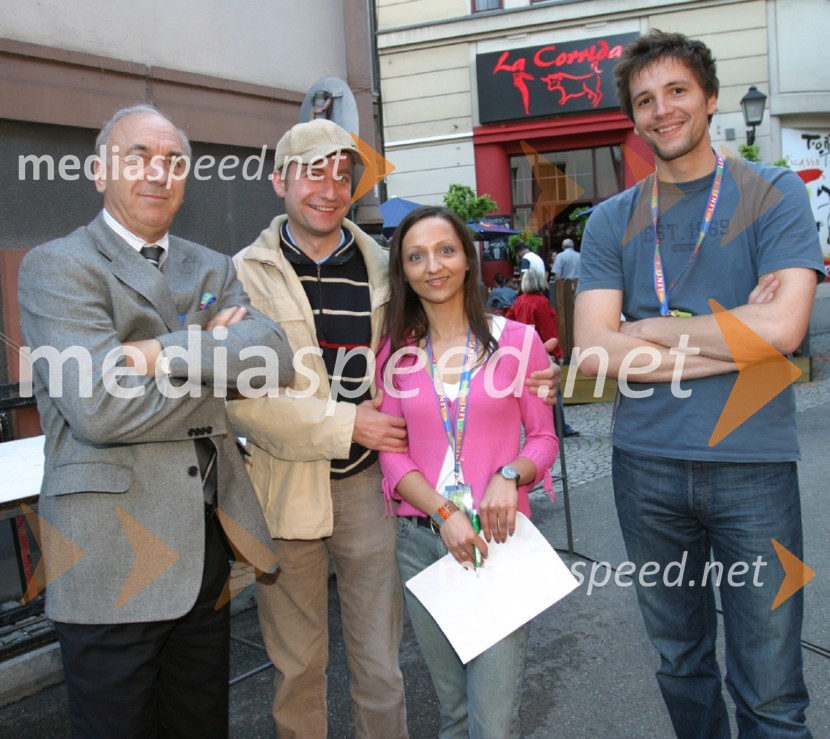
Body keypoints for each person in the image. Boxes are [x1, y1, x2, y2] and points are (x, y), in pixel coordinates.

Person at [226, 119, 562, 738]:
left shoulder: (384, 266)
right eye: (312, 172)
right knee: (298, 669)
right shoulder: (242, 275)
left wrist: (544, 380)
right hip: (284, 484)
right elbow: (239, 401)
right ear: (278, 180)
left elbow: (466, 381)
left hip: (373, 493)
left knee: (382, 666)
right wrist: (346, 423)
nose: (329, 188)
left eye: (342, 174)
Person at [574, 30, 823, 738]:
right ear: (634, 116)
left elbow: (784, 332)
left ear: (710, 98)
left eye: (677, 90)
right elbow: (594, 350)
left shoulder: (772, 192)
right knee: (681, 663)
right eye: (645, 99)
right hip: (645, 468)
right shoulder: (611, 220)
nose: (663, 109)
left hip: (754, 467)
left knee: (772, 683)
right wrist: (740, 335)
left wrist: (647, 329)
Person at [17, 104, 294, 737]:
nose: (157, 173)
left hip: (204, 554)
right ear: (98, 171)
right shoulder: (59, 267)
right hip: (108, 556)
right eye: (137, 156)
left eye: (173, 161)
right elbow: (99, 408)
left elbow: (275, 359)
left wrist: (154, 352)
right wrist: (213, 367)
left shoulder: (211, 266)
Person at [377, 205, 558, 738]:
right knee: (454, 714)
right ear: (403, 271)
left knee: (493, 722)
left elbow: (544, 438)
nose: (433, 266)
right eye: (416, 256)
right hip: (422, 544)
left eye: (445, 250)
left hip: (497, 542)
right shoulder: (397, 352)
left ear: (468, 259)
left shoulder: (516, 342)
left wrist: (511, 471)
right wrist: (444, 511)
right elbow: (392, 453)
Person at [507, 269, 579, 437]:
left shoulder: (518, 301)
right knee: (553, 391)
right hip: (540, 351)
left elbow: (509, 323)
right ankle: (559, 427)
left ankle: (537, 428)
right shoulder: (540, 302)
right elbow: (549, 331)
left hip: (522, 352)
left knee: (531, 392)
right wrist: (558, 354)